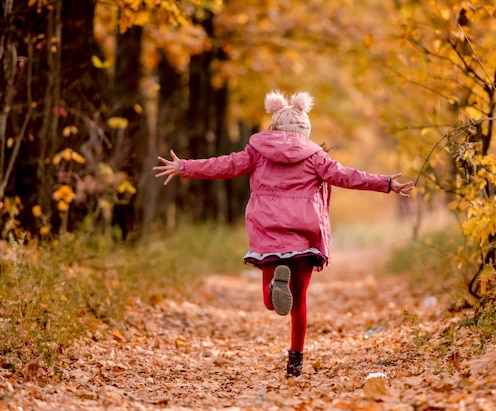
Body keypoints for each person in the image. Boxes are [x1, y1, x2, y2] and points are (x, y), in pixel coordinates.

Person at [154, 90, 413, 378]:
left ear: (274, 125)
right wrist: (386, 183)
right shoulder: (316, 157)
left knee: (271, 301)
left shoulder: (257, 153)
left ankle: (273, 287)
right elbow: (347, 176)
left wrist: (185, 167)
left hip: (270, 236)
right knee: (299, 300)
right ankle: (295, 363)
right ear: (305, 128)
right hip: (304, 237)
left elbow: (224, 164)